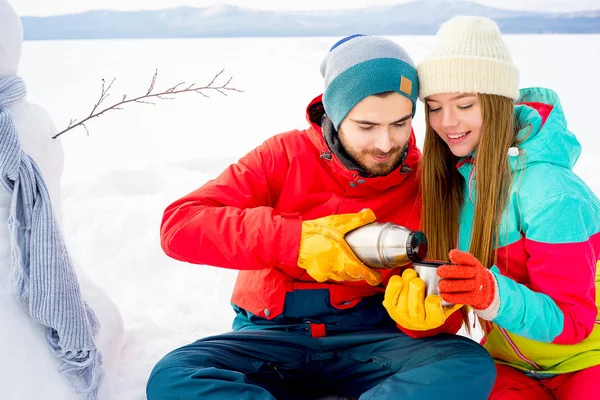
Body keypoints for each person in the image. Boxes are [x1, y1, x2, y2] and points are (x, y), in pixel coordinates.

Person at [147, 34, 495, 400]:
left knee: (468, 363)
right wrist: (298, 242)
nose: (385, 143)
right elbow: (180, 226)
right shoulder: (283, 155)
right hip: (271, 336)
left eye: (400, 124)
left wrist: (424, 319)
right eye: (366, 126)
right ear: (334, 113)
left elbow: (444, 298)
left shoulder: (430, 183)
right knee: (176, 376)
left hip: (375, 341)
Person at [417, 15, 600, 399]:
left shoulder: (551, 194)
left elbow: (573, 320)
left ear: (498, 103)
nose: (446, 122)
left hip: (587, 359)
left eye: (464, 104)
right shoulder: (455, 179)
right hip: (507, 363)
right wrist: (420, 315)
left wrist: (492, 294)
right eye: (434, 107)